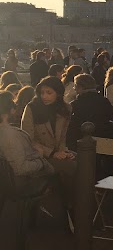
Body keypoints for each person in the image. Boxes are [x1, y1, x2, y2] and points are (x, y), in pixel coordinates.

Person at [21, 76, 76, 211]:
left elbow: (63, 136)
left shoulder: (66, 109)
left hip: (57, 153)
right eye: (42, 92)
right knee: (73, 167)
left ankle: (73, 206)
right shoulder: (32, 108)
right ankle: (74, 207)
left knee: (78, 159)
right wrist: (52, 153)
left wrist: (63, 152)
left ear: (58, 93)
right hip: (38, 155)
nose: (44, 96)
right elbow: (27, 139)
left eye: (49, 93)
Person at [0, 92, 54, 198]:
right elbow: (21, 168)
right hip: (25, 182)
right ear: (11, 110)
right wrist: (40, 159)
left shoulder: (8, 133)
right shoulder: (11, 135)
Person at [66, 74, 113, 151]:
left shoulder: (75, 104)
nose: (74, 89)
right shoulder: (104, 101)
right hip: (105, 140)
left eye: (75, 86)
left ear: (80, 87)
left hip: (82, 143)